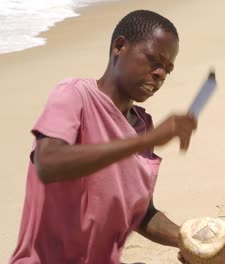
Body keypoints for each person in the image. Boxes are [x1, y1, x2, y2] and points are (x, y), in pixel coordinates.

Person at [10, 10, 198, 264]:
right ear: (120, 47)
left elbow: (142, 214)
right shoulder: (74, 95)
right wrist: (142, 142)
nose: (160, 74)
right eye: (154, 60)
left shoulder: (142, 126)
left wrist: (190, 239)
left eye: (167, 69)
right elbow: (48, 162)